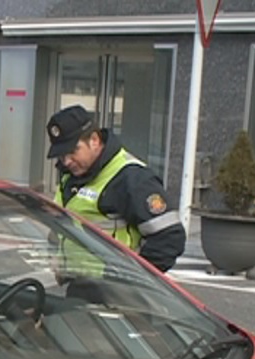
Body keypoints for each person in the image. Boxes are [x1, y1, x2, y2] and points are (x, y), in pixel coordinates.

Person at [46, 105, 184, 273]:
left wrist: (132, 282)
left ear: (94, 141)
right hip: (78, 285)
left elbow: (169, 238)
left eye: (73, 151)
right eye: (61, 155)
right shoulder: (69, 176)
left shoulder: (132, 178)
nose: (66, 161)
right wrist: (57, 259)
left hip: (114, 292)